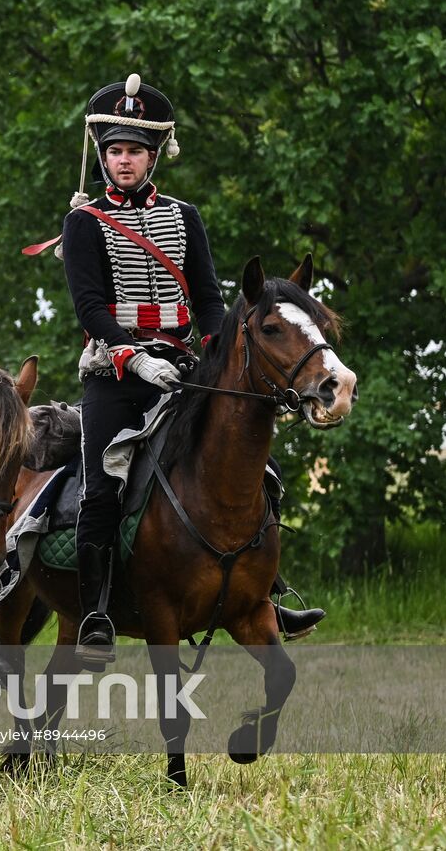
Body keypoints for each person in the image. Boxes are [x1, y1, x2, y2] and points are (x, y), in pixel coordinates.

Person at [59, 74, 323, 667]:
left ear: (154, 156)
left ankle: (267, 592)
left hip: (183, 369)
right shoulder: (85, 222)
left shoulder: (185, 216)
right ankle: (96, 611)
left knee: (261, 470)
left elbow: (208, 298)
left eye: (135, 151)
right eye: (115, 151)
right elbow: (90, 306)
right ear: (103, 157)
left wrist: (212, 352)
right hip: (115, 373)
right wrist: (131, 355)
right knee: (102, 486)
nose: (124, 161)